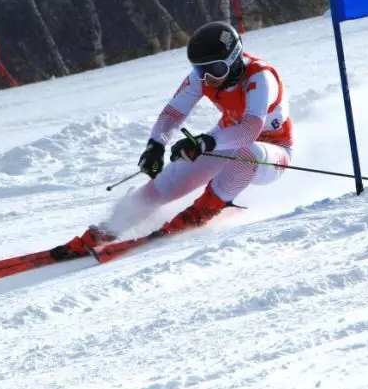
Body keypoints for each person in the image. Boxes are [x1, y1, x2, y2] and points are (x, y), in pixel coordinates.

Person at [52, 21, 294, 260]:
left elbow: (250, 129)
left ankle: (198, 214)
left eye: (215, 69)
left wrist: (205, 143)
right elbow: (173, 114)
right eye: (200, 70)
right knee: (166, 182)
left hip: (272, 152)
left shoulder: (260, 78)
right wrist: (155, 146)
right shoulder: (204, 78)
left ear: (234, 60)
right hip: (224, 141)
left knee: (248, 153)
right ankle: (107, 230)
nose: (207, 78)